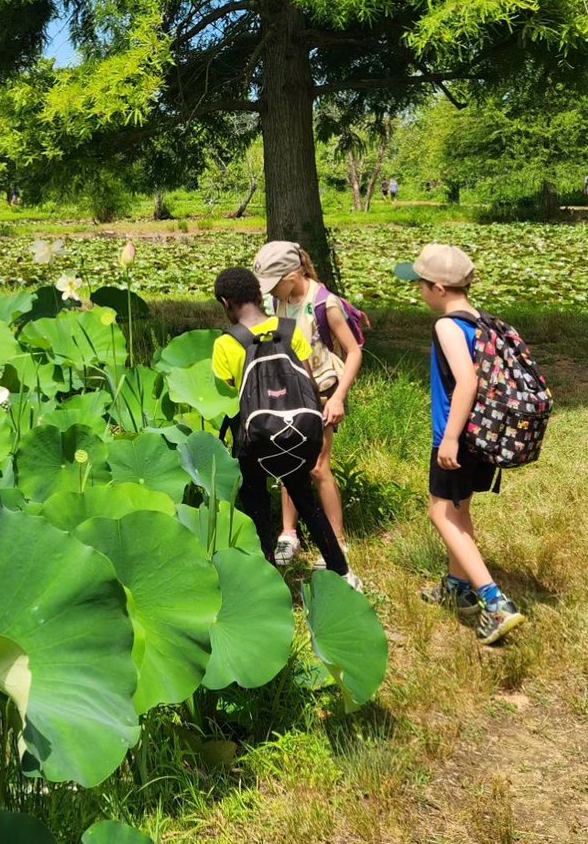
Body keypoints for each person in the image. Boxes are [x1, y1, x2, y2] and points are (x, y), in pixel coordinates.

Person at [394, 244, 526, 644]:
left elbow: (466, 382)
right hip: (482, 434)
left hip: (457, 436)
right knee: (458, 510)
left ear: (437, 287)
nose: (418, 291)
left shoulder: (447, 326)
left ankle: (494, 601)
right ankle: (458, 587)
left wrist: (449, 438)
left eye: (419, 284)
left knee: (440, 514)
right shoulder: (482, 321)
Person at [211, 266, 362, 590]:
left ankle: (267, 576)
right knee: (305, 499)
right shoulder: (290, 329)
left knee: (255, 500)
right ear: (258, 293)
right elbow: (305, 378)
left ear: (226, 303)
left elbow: (228, 395)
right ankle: (342, 571)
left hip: (256, 437)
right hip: (297, 432)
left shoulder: (226, 344)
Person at [253, 241, 361, 567]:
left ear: (293, 274)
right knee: (289, 462)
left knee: (317, 467)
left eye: (275, 284)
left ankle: (338, 540)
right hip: (292, 392)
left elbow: (354, 352)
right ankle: (289, 533)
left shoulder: (326, 305)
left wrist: (339, 397)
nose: (272, 292)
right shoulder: (278, 301)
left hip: (326, 392)